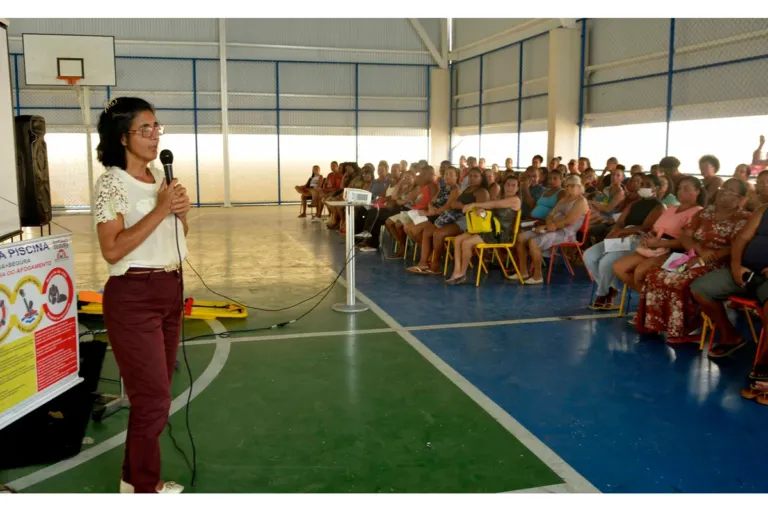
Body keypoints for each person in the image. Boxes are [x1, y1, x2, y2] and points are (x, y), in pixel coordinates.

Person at [94, 97, 189, 494]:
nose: (154, 136)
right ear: (123, 137)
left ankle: (133, 481)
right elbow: (112, 249)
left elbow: (177, 236)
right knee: (153, 400)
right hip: (134, 295)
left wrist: (181, 212)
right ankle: (146, 490)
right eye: (144, 129)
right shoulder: (112, 184)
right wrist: (161, 209)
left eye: (156, 127)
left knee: (154, 393)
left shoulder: (159, 178)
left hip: (170, 288)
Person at [633, 178, 750, 343]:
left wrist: (708, 256)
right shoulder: (705, 212)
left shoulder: (743, 218)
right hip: (694, 256)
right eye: (723, 188)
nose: (723, 193)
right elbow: (686, 236)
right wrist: (699, 251)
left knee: (677, 280)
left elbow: (737, 247)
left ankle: (682, 329)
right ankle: (654, 323)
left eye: (730, 191)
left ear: (740, 198)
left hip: (718, 262)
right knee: (655, 275)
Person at [691, 204, 768, 361]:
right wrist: (736, 266)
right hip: (745, 271)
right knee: (700, 288)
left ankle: (764, 360)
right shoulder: (764, 209)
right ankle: (730, 335)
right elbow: (742, 238)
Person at [613, 176, 706, 295]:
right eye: (679, 188)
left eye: (686, 189)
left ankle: (652, 300)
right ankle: (648, 298)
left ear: (697, 191)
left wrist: (659, 243)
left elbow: (686, 241)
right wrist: (649, 237)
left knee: (640, 273)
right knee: (619, 267)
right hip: (655, 246)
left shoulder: (698, 212)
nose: (680, 192)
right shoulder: (672, 208)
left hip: (674, 250)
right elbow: (655, 228)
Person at [584, 174, 665, 309]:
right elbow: (620, 221)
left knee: (605, 262)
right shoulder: (634, 204)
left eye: (648, 185)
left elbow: (646, 227)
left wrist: (622, 232)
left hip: (637, 239)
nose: (643, 187)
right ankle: (610, 288)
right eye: (642, 184)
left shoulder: (659, 206)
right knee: (589, 256)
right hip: (620, 237)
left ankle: (602, 294)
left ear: (656, 188)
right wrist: (614, 231)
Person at [445, 176, 522, 285]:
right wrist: (482, 211)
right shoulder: (500, 198)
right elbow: (489, 209)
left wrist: (474, 204)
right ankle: (456, 271)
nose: (510, 187)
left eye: (513, 185)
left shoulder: (515, 200)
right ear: (504, 186)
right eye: (508, 184)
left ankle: (462, 273)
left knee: (467, 243)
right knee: (458, 239)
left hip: (500, 234)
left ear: (518, 188)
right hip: (488, 229)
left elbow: (494, 205)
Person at [513, 175, 589, 284]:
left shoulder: (581, 201)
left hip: (566, 233)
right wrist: (548, 224)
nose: (569, 188)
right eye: (567, 186)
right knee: (520, 237)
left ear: (580, 187)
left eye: (572, 186)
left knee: (533, 242)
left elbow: (569, 221)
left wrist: (547, 227)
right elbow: (550, 215)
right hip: (551, 228)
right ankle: (523, 271)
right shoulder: (564, 199)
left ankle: (538, 276)